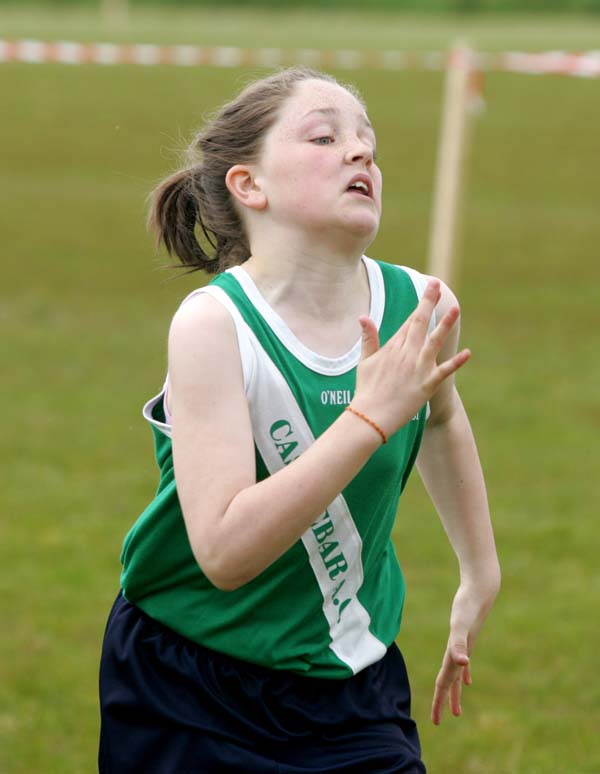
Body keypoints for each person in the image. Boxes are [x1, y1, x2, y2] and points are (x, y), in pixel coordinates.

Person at [98, 66, 500, 774]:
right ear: (249, 186)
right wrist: (366, 419)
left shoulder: (418, 303)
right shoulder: (214, 325)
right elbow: (223, 552)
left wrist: (479, 569)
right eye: (325, 136)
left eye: (367, 141)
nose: (360, 152)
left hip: (351, 687)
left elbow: (439, 420)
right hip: (190, 685)